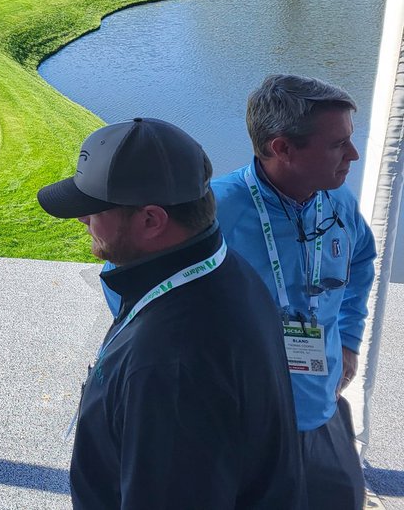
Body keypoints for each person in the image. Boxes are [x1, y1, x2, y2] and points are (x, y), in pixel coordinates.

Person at [38, 117, 303, 510]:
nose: (82, 219)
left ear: (151, 220)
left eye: (94, 209)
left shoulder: (170, 365)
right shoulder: (226, 271)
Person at [213, 74, 375, 509]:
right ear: (282, 148)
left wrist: (349, 339)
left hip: (320, 407)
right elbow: (137, 284)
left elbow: (360, 261)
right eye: (338, 144)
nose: (354, 155)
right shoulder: (213, 211)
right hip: (240, 428)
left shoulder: (336, 201)